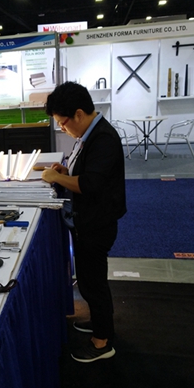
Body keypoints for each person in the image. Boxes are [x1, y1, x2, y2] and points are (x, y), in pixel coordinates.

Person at [42, 81, 126, 363]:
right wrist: (66, 173)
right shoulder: (89, 134)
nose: (62, 128)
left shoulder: (103, 139)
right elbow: (86, 172)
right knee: (90, 281)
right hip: (88, 220)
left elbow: (90, 184)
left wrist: (57, 178)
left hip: (97, 223)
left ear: (78, 114)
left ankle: (102, 342)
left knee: (93, 282)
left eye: (62, 122)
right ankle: (100, 324)